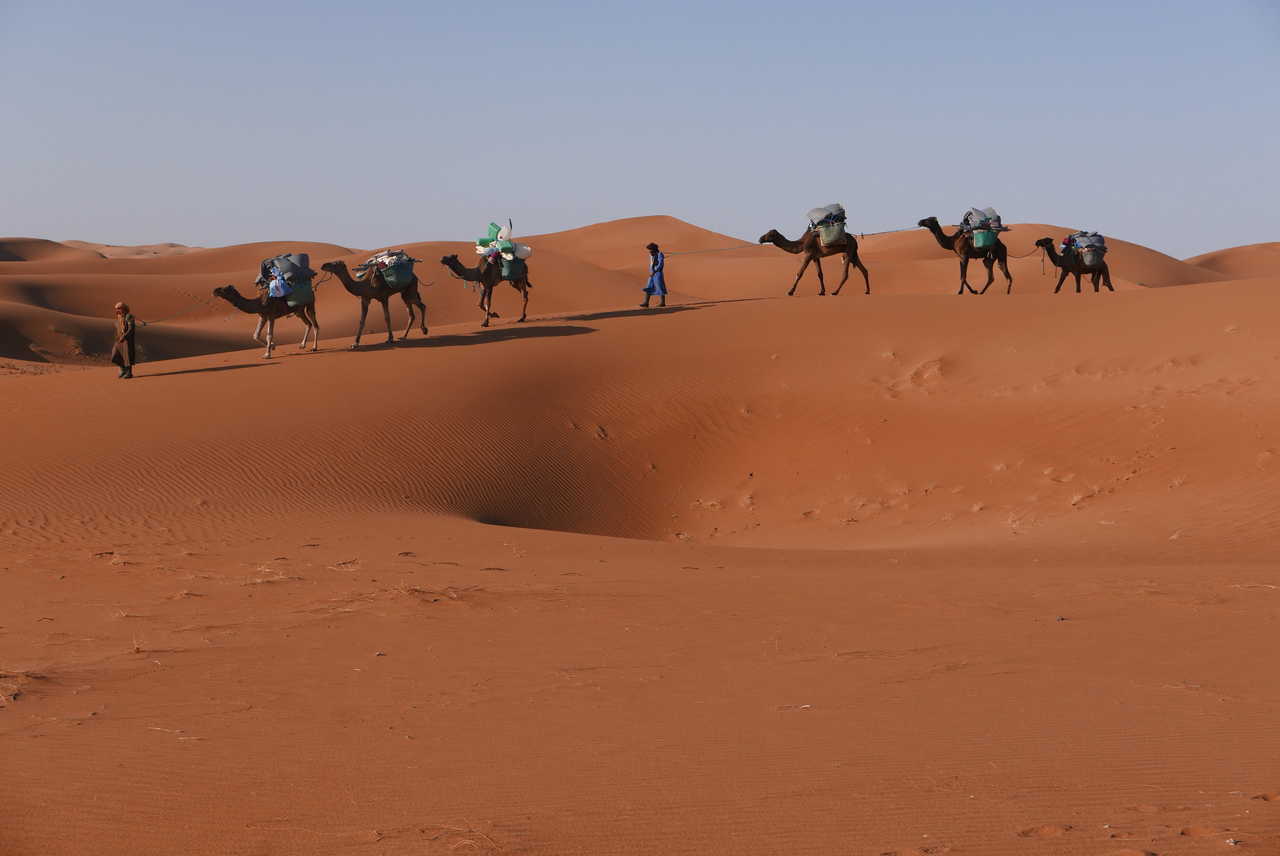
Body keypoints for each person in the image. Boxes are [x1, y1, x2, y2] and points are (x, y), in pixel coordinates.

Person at [109, 302, 136, 379]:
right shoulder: (119, 317)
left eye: (119, 308)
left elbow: (131, 329)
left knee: (127, 356)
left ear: (123, 308)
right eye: (116, 309)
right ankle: (122, 370)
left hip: (127, 340)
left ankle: (128, 373)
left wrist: (124, 336)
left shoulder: (129, 316)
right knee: (115, 355)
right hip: (119, 340)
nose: (117, 310)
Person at [641, 242, 666, 308]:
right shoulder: (651, 255)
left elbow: (661, 264)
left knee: (660, 286)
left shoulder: (660, 254)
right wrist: (651, 271)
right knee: (648, 286)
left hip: (658, 273)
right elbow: (651, 264)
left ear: (654, 249)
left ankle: (662, 302)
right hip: (652, 273)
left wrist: (655, 271)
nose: (649, 251)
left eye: (650, 250)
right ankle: (646, 302)